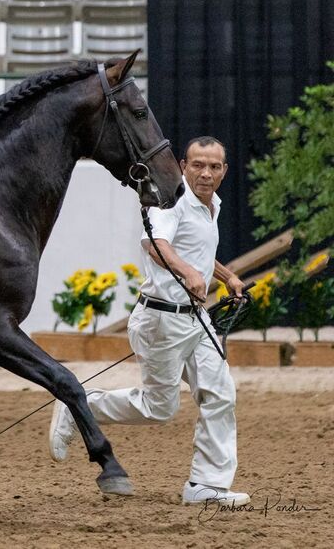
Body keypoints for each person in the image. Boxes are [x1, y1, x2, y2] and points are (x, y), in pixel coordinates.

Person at [49, 136, 251, 507]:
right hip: (161, 319)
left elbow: (194, 248)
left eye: (214, 167)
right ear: (183, 166)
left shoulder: (212, 205)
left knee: (220, 394)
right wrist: (188, 272)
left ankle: (206, 485)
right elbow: (156, 244)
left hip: (196, 319)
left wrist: (227, 277)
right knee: (159, 407)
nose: (206, 173)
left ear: (224, 170)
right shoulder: (170, 200)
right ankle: (80, 406)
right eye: (198, 165)